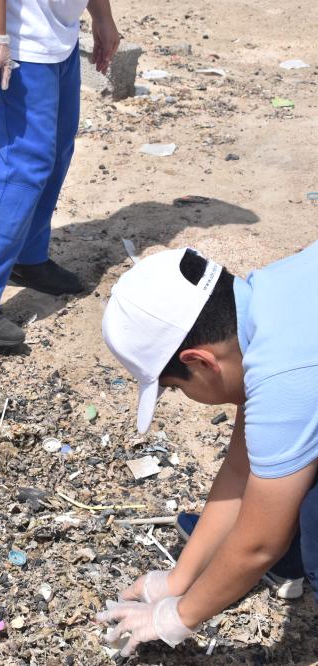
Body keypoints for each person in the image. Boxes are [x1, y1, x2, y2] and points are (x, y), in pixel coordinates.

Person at [97, 244, 318, 657]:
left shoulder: (284, 376)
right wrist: (178, 581)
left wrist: (177, 616)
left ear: (200, 361)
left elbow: (259, 545)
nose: (182, 395)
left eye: (177, 388)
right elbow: (241, 468)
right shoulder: (267, 298)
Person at [0, 0, 120, 347]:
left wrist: (101, 15)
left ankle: (25, 256)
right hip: (14, 35)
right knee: (20, 161)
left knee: (55, 149)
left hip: (55, 32)